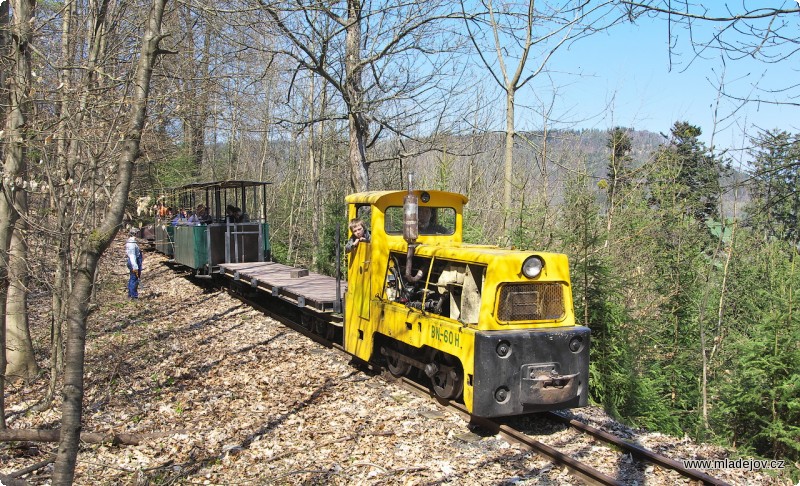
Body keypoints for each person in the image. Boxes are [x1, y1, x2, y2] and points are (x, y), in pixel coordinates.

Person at [125, 228, 143, 299]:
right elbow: (132, 255)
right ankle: (134, 296)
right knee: (134, 279)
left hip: (134, 262)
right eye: (137, 233)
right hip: (134, 262)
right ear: (135, 234)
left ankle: (130, 294)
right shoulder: (131, 243)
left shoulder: (132, 242)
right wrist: (135, 266)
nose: (138, 234)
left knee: (132, 278)